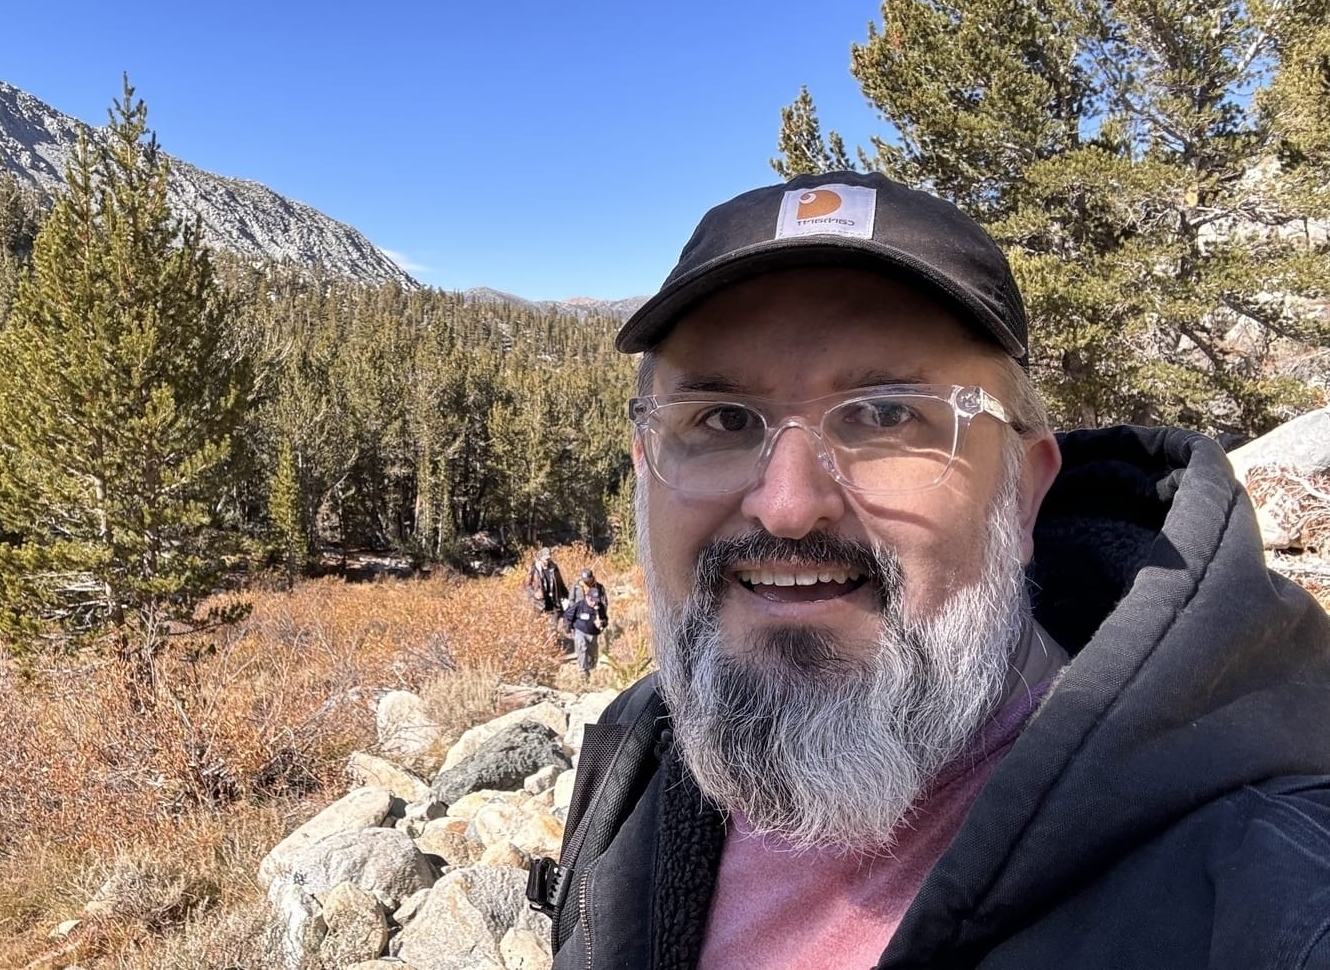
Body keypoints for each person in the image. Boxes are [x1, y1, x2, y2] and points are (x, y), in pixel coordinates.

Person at [527, 171, 1330, 968]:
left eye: (884, 414)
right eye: (723, 419)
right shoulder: (652, 741)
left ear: (1022, 494)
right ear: (643, 466)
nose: (786, 504)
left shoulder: (1261, 890)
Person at [558, 581, 608, 681]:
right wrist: (569, 629)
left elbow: (605, 620)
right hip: (580, 631)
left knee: (592, 653)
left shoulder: (600, 607)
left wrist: (602, 623)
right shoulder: (579, 605)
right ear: (587, 597)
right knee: (582, 649)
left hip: (593, 633)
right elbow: (567, 616)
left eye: (596, 601)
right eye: (592, 600)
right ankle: (582, 671)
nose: (594, 603)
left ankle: (592, 670)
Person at [525, 548, 566, 616]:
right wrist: (534, 594)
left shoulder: (554, 568)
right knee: (541, 625)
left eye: (549, 558)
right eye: (546, 559)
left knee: (553, 625)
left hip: (554, 603)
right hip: (540, 605)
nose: (548, 560)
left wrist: (567, 597)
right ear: (540, 558)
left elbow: (561, 584)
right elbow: (526, 586)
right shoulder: (534, 569)